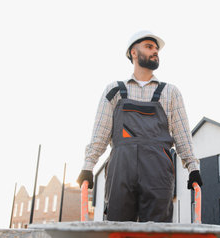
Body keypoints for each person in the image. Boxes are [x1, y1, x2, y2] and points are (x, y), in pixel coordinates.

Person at [77, 30, 202, 222]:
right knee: (117, 225)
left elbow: (182, 135)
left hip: (158, 168)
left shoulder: (170, 92)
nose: (155, 52)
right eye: (149, 47)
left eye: (157, 49)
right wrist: (88, 166)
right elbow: (100, 133)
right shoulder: (114, 91)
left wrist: (193, 168)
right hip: (121, 167)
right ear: (133, 53)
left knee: (157, 228)